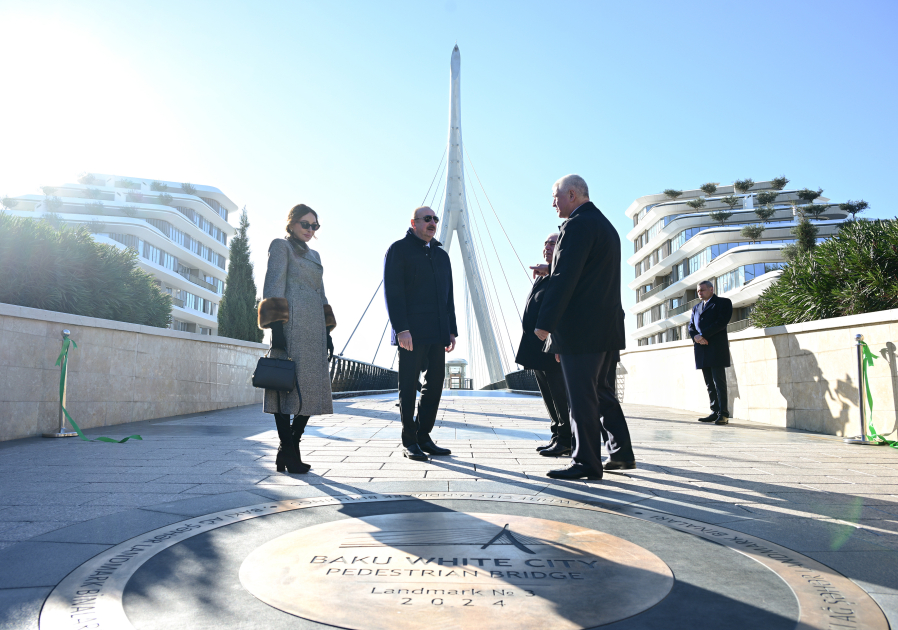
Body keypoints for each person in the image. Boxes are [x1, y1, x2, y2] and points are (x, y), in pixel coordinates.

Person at [533, 174, 635, 480]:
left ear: (572, 195)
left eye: (555, 197)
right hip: (606, 328)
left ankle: (587, 461)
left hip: (581, 331)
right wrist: (552, 268)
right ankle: (620, 453)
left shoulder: (576, 225)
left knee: (581, 397)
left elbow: (566, 278)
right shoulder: (604, 224)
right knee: (602, 392)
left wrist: (545, 324)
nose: (553, 203)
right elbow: (589, 273)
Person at [257, 204, 337, 474]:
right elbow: (273, 285)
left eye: (315, 226)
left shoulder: (314, 254)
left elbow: (321, 293)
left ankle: (290, 447)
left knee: (312, 388)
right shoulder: (281, 246)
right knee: (284, 387)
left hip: (314, 330)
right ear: (291, 223)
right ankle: (289, 450)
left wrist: (327, 331)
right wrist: (276, 328)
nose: (310, 230)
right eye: (305, 224)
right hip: (290, 326)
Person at [383, 206, 458, 461]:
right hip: (411, 332)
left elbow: (449, 296)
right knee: (408, 386)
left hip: (438, 331)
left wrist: (451, 330)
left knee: (435, 385)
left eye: (435, 219)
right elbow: (393, 293)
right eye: (427, 219)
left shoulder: (441, 255)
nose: (433, 222)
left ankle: (424, 435)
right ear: (413, 223)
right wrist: (401, 329)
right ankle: (409, 440)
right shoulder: (399, 250)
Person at [514, 232, 572, 457]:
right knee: (547, 394)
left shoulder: (562, 275)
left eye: (553, 243)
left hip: (552, 346)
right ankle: (557, 435)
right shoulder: (544, 275)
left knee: (558, 393)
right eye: (546, 243)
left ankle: (566, 439)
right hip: (536, 347)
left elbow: (563, 310)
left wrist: (559, 342)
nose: (547, 247)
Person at [687, 280, 733, 425]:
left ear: (711, 289)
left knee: (719, 383)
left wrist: (703, 335)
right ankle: (714, 411)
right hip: (701, 349)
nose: (699, 293)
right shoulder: (696, 308)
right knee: (709, 383)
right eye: (698, 291)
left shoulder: (723, 303)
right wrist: (696, 337)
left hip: (716, 348)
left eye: (702, 290)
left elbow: (721, 322)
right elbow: (691, 326)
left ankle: (723, 414)